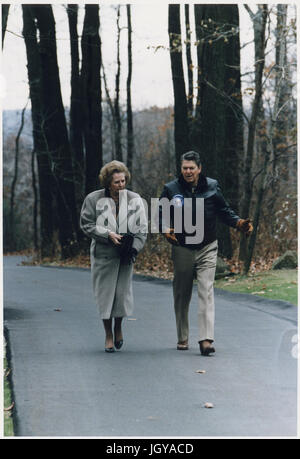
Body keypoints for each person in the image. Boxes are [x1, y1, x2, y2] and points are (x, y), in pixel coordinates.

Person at [159, 151, 253, 356]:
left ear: (199, 169)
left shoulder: (212, 186)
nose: (188, 171)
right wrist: (166, 229)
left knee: (206, 290)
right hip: (182, 247)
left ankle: (206, 339)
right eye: (185, 168)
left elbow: (224, 210)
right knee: (182, 294)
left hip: (207, 247)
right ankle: (183, 337)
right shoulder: (171, 189)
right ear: (180, 169)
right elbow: (161, 215)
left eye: (192, 168)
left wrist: (238, 223)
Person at [80, 160, 147, 353]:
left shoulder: (134, 199)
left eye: (123, 181)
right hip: (103, 255)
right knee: (105, 296)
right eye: (116, 182)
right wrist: (106, 234)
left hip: (125, 255)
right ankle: (108, 334)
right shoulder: (93, 199)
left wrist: (134, 248)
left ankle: (118, 327)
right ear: (108, 182)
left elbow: (142, 229)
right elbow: (86, 224)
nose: (121, 185)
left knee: (121, 296)